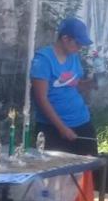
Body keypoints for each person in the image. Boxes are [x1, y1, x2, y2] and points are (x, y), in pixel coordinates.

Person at [30, 17, 97, 155]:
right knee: (58, 174)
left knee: (88, 171)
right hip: (53, 128)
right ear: (66, 38)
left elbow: (74, 85)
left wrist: (90, 83)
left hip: (81, 121)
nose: (80, 48)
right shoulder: (43, 59)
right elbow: (41, 99)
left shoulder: (73, 56)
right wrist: (62, 128)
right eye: (78, 43)